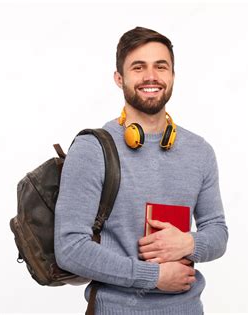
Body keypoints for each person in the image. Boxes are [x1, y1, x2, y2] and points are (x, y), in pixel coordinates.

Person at [54, 26, 229, 314]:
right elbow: (70, 248)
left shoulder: (200, 151)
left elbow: (218, 233)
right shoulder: (92, 149)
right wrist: (154, 277)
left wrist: (188, 242)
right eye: (139, 67)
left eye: (161, 66)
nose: (151, 76)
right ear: (119, 78)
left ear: (172, 76)